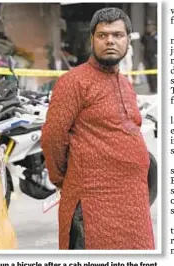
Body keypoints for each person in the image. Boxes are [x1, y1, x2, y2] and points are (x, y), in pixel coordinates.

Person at [41, 7, 154, 250]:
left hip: (133, 205)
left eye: (117, 35)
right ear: (92, 39)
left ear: (127, 41)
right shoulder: (73, 82)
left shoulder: (125, 83)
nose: (110, 40)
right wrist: (67, 179)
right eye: (102, 35)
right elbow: (52, 138)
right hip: (92, 204)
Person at [141, 20, 157, 93]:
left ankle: (156, 88)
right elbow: (142, 46)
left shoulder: (157, 35)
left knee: (154, 73)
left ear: (154, 26)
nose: (148, 28)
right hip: (147, 57)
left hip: (155, 56)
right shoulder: (145, 36)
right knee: (148, 73)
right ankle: (151, 89)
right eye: (147, 26)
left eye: (150, 26)